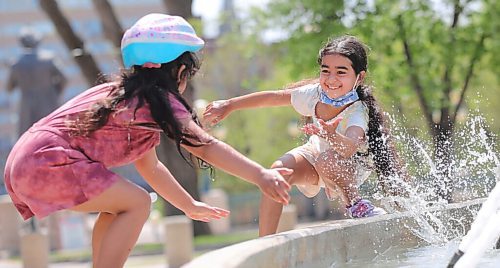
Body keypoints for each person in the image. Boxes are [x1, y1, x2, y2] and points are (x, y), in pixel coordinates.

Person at [3, 14, 291, 267]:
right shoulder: (156, 102)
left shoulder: (124, 98)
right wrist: (260, 174)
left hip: (24, 160)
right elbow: (207, 147)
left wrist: (188, 204)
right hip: (48, 160)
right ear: (179, 71)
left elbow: (150, 167)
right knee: (138, 202)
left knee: (120, 205)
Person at [204, 35, 404, 236]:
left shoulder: (358, 110)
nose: (331, 79)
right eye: (326, 71)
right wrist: (229, 105)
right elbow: (272, 97)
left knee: (328, 160)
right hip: (316, 153)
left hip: (348, 165)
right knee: (277, 173)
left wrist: (331, 135)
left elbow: (349, 147)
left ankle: (356, 204)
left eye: (341, 72)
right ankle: (265, 241)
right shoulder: (314, 94)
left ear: (359, 77)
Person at [6, 27, 67, 136]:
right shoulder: (49, 59)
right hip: (49, 103)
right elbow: (64, 79)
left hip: (26, 108)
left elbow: (9, 87)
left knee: (28, 138)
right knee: (52, 135)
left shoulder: (17, 63)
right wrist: (55, 92)